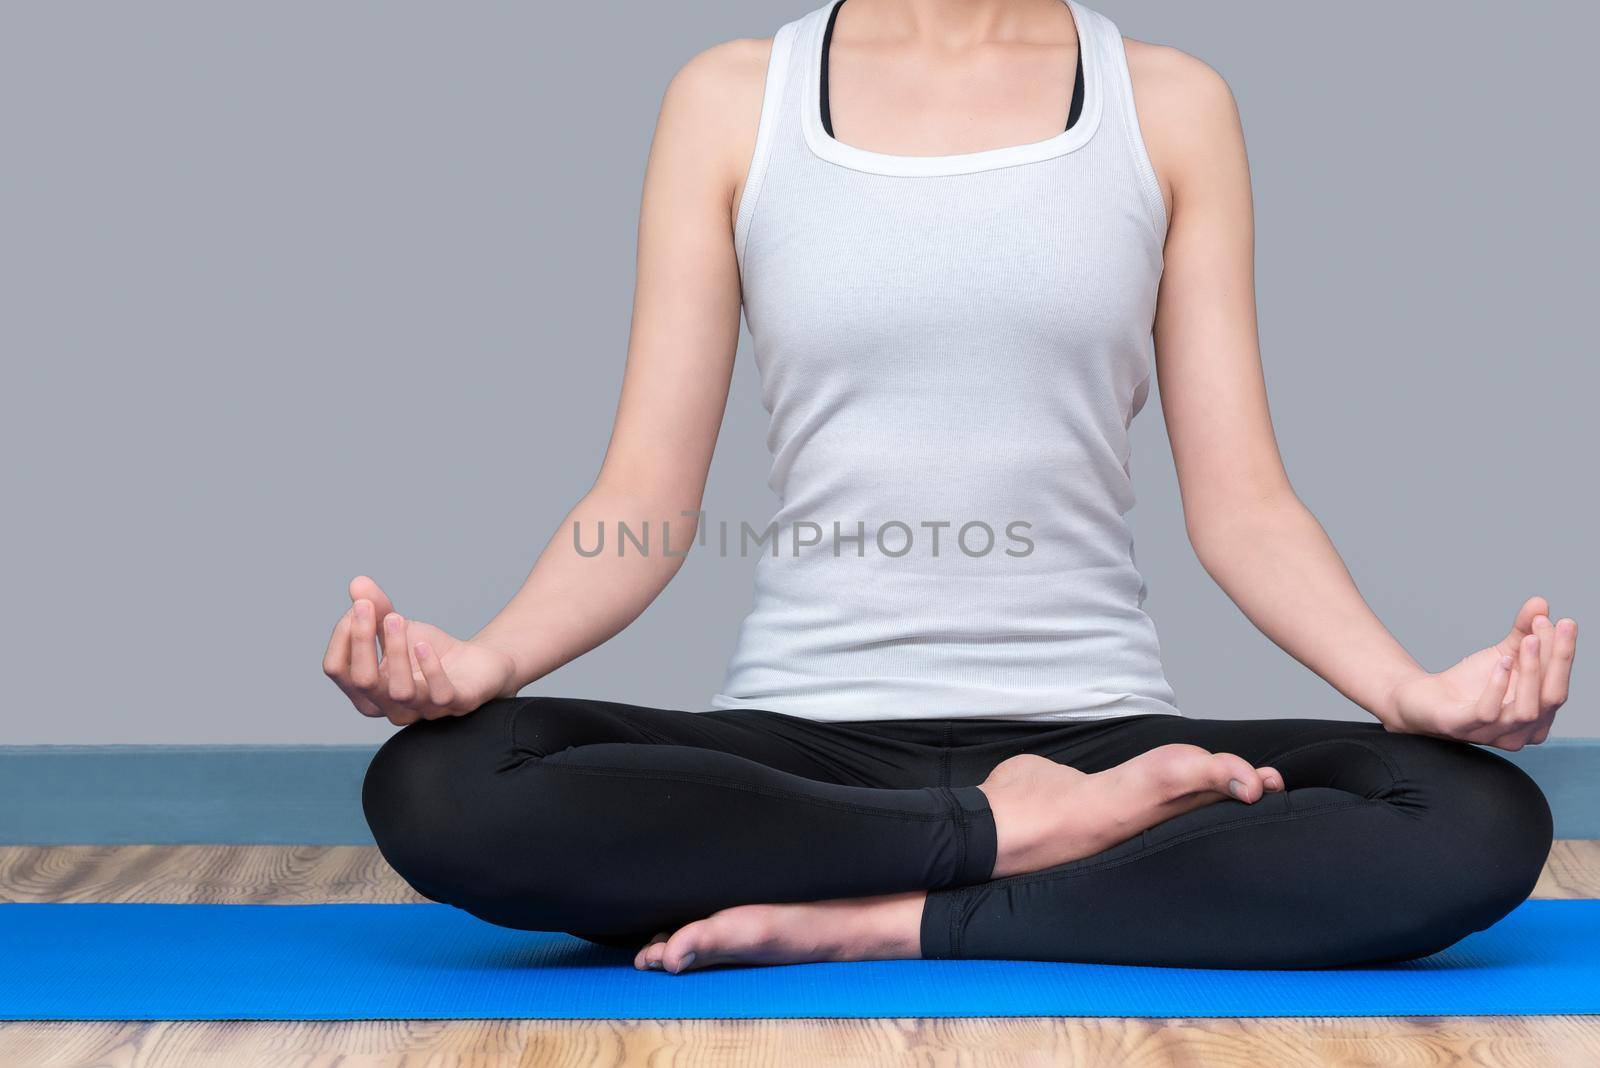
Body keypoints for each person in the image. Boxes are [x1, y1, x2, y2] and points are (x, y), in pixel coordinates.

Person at [323, 0, 1578, 973]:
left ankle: (881, 919)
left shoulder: (1170, 104)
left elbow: (1243, 505)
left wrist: (1405, 690)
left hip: (1100, 744)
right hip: (801, 751)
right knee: (438, 784)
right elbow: (640, 499)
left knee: (1470, 817)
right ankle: (1000, 847)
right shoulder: (731, 98)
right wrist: (483, 666)